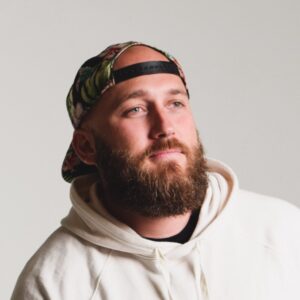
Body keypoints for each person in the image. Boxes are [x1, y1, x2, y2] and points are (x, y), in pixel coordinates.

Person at [11, 41, 300, 300]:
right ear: (87, 146)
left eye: (175, 103)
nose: (165, 127)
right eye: (135, 109)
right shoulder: (53, 284)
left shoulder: (283, 232)